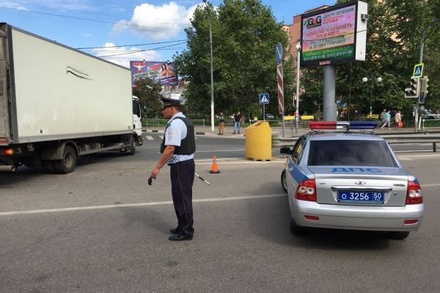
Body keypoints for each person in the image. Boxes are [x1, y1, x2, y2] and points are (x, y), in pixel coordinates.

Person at [149, 96, 196, 241]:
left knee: (182, 199)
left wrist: (157, 167)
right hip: (186, 164)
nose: (162, 112)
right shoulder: (185, 121)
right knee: (181, 197)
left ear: (171, 109)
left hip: (180, 166)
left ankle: (186, 231)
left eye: (164, 109)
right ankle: (182, 225)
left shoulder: (175, 124)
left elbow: (170, 148)